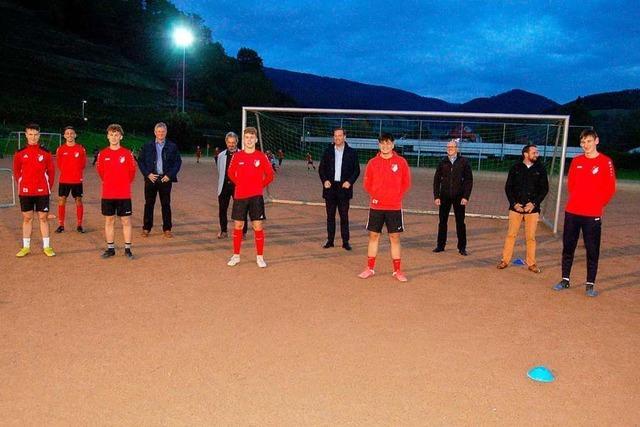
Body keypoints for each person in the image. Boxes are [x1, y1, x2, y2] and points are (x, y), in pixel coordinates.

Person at [552, 129, 616, 297]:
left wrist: (596, 204)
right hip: (572, 212)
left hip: (592, 214)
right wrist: (578, 200)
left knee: (592, 249)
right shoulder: (576, 161)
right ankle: (565, 279)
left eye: (588, 141)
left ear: (596, 141)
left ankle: (590, 284)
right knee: (568, 247)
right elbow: (571, 184)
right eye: (582, 142)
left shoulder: (605, 162)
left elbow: (610, 188)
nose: (585, 145)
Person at [358, 133, 411, 282]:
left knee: (394, 237)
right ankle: (369, 268)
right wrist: (376, 195)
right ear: (379, 145)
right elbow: (367, 183)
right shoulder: (373, 163)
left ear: (393, 145)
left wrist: (395, 196)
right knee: (374, 236)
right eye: (382, 143)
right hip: (376, 206)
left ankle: (397, 271)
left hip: (394, 206)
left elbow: (406, 183)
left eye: (388, 143)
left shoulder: (401, 162)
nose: (385, 146)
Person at [226, 127, 274, 268]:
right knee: (238, 225)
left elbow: (270, 175)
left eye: (252, 138)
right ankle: (236, 256)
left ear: (256, 140)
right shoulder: (238, 156)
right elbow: (230, 173)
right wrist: (240, 184)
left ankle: (260, 257)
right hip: (240, 196)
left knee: (257, 226)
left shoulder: (261, 156)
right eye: (247, 137)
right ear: (243, 139)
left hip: (256, 197)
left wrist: (259, 185)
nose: (249, 140)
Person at [497, 144, 549, 273]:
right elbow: (508, 187)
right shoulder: (515, 167)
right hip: (516, 208)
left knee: (530, 237)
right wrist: (514, 203)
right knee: (511, 235)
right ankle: (505, 260)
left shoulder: (541, 169)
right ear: (526, 154)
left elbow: (544, 189)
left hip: (532, 209)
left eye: (537, 152)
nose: (537, 154)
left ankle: (531, 263)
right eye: (534, 152)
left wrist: (534, 204)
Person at [13, 123, 56, 257]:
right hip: (25, 191)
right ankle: (26, 247)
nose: (33, 137)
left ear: (39, 135)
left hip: (42, 191)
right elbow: (16, 171)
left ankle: (47, 247)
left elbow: (51, 172)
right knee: (27, 218)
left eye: (36, 134)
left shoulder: (46, 153)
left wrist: (47, 187)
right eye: (30, 134)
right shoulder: (20, 153)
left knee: (43, 218)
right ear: (26, 135)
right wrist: (23, 183)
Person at [96, 124, 137, 259]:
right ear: (108, 136)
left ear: (121, 136)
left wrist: (122, 184)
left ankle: (127, 249)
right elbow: (101, 172)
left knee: (126, 221)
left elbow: (132, 173)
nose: (114, 137)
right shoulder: (103, 154)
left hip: (123, 193)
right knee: (109, 220)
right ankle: (110, 248)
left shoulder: (127, 154)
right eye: (111, 135)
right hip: (108, 193)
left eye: (116, 135)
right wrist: (111, 183)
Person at [137, 122, 182, 238]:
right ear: (155, 132)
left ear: (166, 132)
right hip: (151, 178)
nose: (160, 133)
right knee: (149, 204)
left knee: (166, 204)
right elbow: (140, 161)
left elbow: (178, 162)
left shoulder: (172, 146)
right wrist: (147, 174)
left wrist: (170, 175)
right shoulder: (147, 145)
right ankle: (146, 228)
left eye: (162, 131)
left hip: (165, 179)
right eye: (158, 131)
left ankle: (167, 228)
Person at [318, 127, 360, 250]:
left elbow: (356, 170)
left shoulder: (352, 152)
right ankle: (330, 240)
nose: (337, 138)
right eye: (335, 136)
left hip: (344, 188)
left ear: (344, 137)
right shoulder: (327, 151)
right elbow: (321, 169)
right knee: (330, 216)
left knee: (344, 217)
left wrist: (349, 182)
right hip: (330, 188)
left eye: (340, 135)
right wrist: (325, 180)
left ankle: (345, 242)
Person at [432, 138, 473, 255]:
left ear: (457, 149)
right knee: (442, 221)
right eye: (448, 147)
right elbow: (436, 181)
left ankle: (462, 247)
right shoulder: (442, 162)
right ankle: (440, 245)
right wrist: (436, 196)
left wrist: (466, 196)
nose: (450, 149)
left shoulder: (464, 162)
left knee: (460, 222)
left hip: (459, 197)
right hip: (444, 196)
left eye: (452, 147)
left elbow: (468, 181)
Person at [55, 126, 87, 233]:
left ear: (75, 135)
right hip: (64, 180)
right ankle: (61, 225)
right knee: (62, 200)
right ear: (64, 136)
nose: (69, 135)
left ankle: (79, 225)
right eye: (67, 133)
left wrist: (75, 173)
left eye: (71, 133)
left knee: (78, 200)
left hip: (77, 180)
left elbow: (83, 164)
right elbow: (59, 164)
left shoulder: (80, 149)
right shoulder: (60, 149)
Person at [216, 131, 247, 239]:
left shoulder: (243, 155)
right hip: (224, 186)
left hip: (238, 187)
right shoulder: (220, 156)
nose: (231, 145)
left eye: (233, 142)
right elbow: (220, 170)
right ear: (226, 142)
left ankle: (242, 232)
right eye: (229, 142)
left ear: (237, 142)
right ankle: (223, 231)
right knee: (222, 210)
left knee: (241, 210)